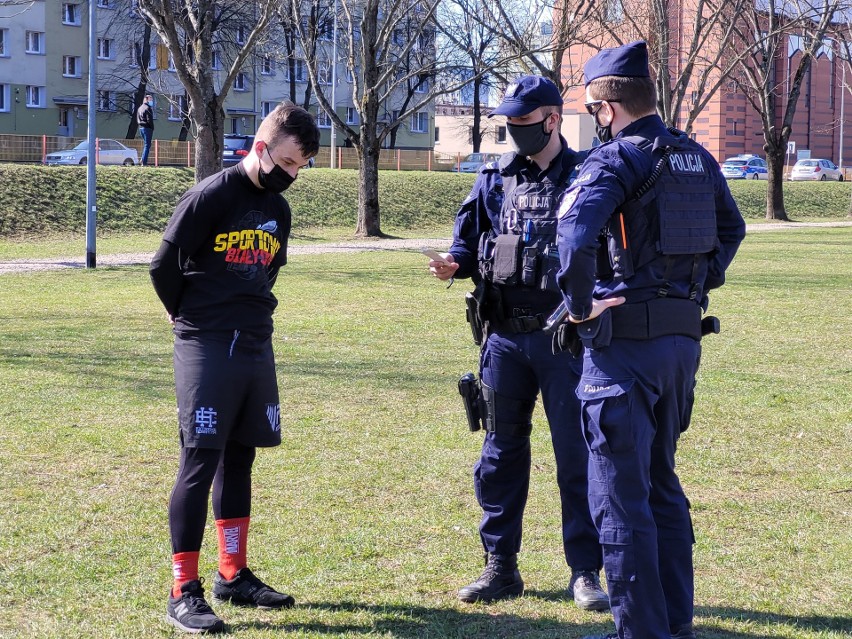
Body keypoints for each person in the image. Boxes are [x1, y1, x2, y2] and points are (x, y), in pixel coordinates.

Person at [553, 42, 746, 639]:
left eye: (591, 108)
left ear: (607, 108)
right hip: (681, 345)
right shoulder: (696, 156)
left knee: (619, 494)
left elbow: (574, 238)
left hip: (625, 349)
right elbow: (731, 230)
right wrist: (687, 289)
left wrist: (584, 306)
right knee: (661, 480)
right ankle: (675, 622)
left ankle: (639, 630)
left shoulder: (615, 161)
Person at [428, 75, 609, 611]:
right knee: (500, 454)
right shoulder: (493, 179)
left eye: (525, 123)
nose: (514, 132)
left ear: (554, 119)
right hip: (504, 340)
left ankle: (585, 572)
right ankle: (500, 567)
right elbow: (467, 243)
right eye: (508, 123)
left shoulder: (589, 176)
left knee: (577, 457)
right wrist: (453, 263)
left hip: (567, 342)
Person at [149, 103, 320, 634]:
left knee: (241, 458)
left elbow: (268, 271)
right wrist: (192, 318)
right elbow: (162, 267)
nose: (292, 174)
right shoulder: (210, 196)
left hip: (254, 345)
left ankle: (232, 573)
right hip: (206, 343)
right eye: (289, 162)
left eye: (301, 167)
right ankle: (184, 590)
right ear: (263, 148)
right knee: (200, 461)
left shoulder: (278, 210)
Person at [137, 94, 155, 166]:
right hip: (147, 128)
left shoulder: (140, 108)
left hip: (141, 128)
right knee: (147, 145)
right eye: (151, 99)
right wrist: (152, 127)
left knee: (146, 145)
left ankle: (142, 159)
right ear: (146, 99)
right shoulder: (148, 108)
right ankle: (144, 162)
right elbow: (149, 119)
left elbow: (138, 120)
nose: (152, 101)